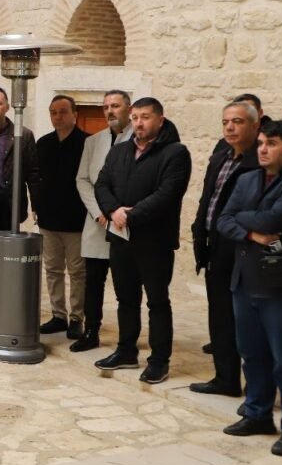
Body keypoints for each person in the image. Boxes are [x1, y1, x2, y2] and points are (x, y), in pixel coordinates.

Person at [217, 120, 282, 457]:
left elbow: (274, 220)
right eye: (260, 142)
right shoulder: (246, 179)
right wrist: (251, 232)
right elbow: (223, 220)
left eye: (271, 143)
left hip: (281, 287)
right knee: (251, 354)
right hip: (245, 282)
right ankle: (257, 414)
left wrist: (245, 219)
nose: (262, 148)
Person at [93, 97, 191, 384]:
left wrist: (129, 216)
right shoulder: (119, 151)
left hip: (155, 242)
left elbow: (167, 194)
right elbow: (102, 184)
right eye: (135, 117)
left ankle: (159, 361)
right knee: (125, 299)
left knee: (157, 302)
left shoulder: (175, 153)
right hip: (121, 239)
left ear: (160, 119)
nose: (139, 123)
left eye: (145, 117)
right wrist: (113, 211)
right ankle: (126, 351)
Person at [189, 100, 261, 397]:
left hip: (245, 250)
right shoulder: (221, 157)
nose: (230, 127)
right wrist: (199, 232)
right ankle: (226, 379)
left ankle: (257, 389)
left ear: (255, 125)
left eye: (238, 122)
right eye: (225, 122)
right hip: (215, 248)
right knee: (220, 317)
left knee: (249, 322)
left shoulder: (260, 161)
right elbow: (208, 199)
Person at [71, 90, 134, 352]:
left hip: (125, 222)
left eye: (115, 106)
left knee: (125, 286)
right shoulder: (93, 141)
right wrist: (99, 211)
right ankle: (91, 331)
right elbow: (83, 179)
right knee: (93, 282)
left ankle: (127, 339)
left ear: (129, 109)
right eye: (106, 106)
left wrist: (117, 212)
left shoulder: (138, 139)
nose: (110, 111)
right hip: (97, 221)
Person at [35, 95, 90, 340]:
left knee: (77, 271)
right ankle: (59, 315)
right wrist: (37, 206)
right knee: (52, 269)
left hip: (76, 220)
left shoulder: (87, 142)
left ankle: (77, 318)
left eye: (63, 112)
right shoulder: (43, 143)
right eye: (53, 112)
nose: (58, 117)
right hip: (48, 219)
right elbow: (36, 178)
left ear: (74, 114)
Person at [0, 86, 42, 231]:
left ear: (7, 107)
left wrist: (36, 206)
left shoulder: (23, 135)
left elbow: (33, 174)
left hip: (10, 205)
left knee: (8, 245)